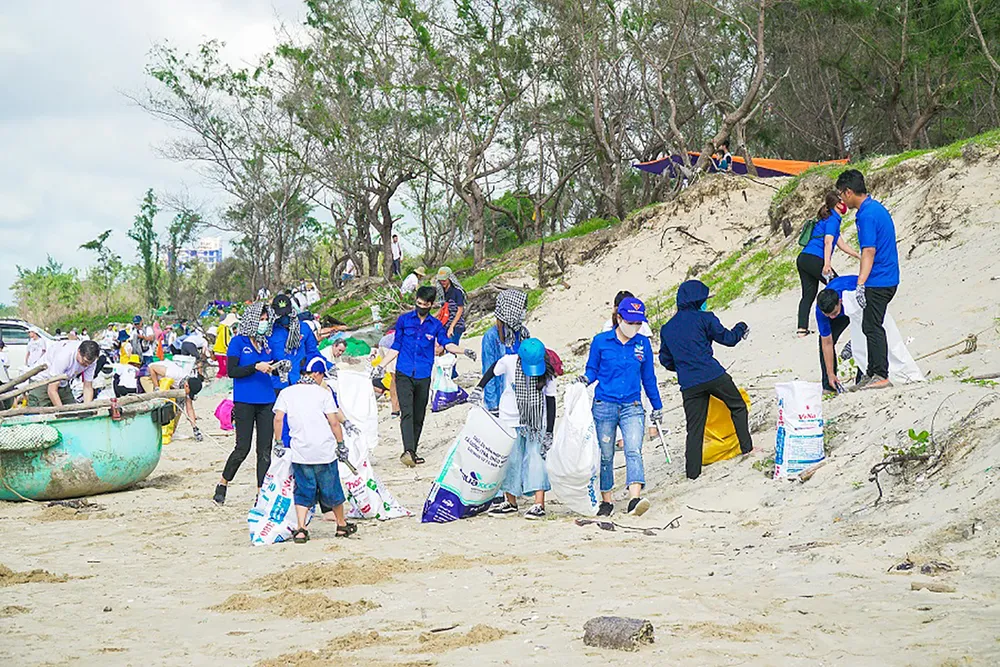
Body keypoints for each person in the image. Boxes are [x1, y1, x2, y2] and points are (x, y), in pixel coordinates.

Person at [658, 281, 752, 481]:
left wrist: (683, 366)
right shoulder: (705, 318)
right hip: (712, 374)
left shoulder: (667, 328)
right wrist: (741, 327)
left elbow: (665, 360)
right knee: (737, 406)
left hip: (689, 383)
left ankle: (692, 474)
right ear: (698, 300)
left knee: (694, 429)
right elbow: (728, 339)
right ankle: (747, 449)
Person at [376, 286, 478, 467]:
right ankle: (408, 451)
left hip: (423, 375)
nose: (421, 307)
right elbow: (396, 346)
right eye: (418, 303)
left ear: (431, 305)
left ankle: (412, 452)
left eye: (424, 304)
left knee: (419, 414)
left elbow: (446, 344)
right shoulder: (404, 320)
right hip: (404, 372)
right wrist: (380, 366)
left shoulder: (435, 325)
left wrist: (464, 351)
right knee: (407, 412)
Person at [580, 297, 663, 517]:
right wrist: (583, 381)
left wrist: (657, 406)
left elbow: (648, 377)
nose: (634, 326)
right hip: (604, 404)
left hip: (632, 405)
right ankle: (606, 500)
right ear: (619, 318)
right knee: (606, 454)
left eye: (638, 323)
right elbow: (592, 370)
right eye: (630, 322)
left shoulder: (643, 343)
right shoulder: (601, 341)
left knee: (633, 450)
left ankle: (634, 499)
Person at [272, 356, 356, 542]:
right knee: (332, 489)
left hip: (301, 452)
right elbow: (334, 422)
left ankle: (301, 529)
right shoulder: (323, 394)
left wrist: (278, 442)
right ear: (316, 374)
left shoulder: (287, 393)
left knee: (303, 491)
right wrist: (341, 444)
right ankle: (341, 525)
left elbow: (278, 419)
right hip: (324, 451)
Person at [470, 338, 555, 519]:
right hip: (509, 418)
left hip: (535, 421)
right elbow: (492, 370)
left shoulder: (547, 371)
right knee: (511, 460)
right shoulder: (509, 362)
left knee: (536, 458)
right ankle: (510, 502)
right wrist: (478, 388)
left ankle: (539, 504)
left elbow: (550, 400)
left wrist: (549, 431)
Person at [836, 169, 899, 390]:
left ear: (849, 192)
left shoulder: (867, 215)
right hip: (886, 276)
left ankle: (881, 374)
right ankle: (871, 373)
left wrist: (861, 283)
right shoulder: (874, 208)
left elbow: (869, 251)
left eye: (841, 194)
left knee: (872, 326)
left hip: (880, 279)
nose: (842, 200)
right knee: (869, 325)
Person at [214, 302, 278, 505]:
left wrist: (276, 368)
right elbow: (232, 371)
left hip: (267, 400)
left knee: (265, 449)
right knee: (243, 447)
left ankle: (261, 492)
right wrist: (255, 366)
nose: (264, 323)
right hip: (245, 401)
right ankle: (223, 483)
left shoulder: (267, 343)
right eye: (261, 319)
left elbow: (272, 365)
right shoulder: (238, 342)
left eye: (266, 319)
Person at [795, 192, 860, 336]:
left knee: (808, 295)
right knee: (837, 284)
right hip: (815, 258)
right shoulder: (833, 220)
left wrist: (858, 256)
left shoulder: (827, 219)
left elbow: (841, 244)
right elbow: (828, 242)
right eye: (842, 201)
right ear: (838, 204)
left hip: (803, 259)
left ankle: (802, 329)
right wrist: (827, 264)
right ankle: (843, 314)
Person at [481, 289, 531, 414]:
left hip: (521, 396)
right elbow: (488, 370)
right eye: (521, 308)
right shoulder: (491, 337)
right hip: (502, 397)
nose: (523, 312)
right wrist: (493, 405)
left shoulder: (523, 333)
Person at [815, 275, 860, 394]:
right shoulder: (821, 312)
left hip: (858, 300)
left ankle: (862, 378)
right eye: (828, 315)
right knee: (823, 341)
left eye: (834, 313)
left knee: (863, 336)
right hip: (840, 308)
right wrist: (830, 373)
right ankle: (830, 385)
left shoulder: (850, 293)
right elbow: (827, 343)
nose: (832, 317)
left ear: (839, 302)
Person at [28, 340, 100, 407]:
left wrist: (87, 408)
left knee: (74, 410)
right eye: (84, 361)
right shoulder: (64, 356)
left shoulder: (92, 361)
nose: (86, 365)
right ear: (79, 351)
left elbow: (87, 387)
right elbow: (52, 390)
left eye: (89, 363)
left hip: (62, 383)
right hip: (42, 381)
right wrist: (61, 411)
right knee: (42, 411)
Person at [148, 359, 205, 441]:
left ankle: (172, 431)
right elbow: (152, 368)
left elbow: (189, 409)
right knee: (160, 405)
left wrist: (195, 429)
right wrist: (157, 388)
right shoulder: (173, 374)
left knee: (179, 406)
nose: (188, 394)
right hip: (150, 376)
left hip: (168, 384)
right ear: (186, 386)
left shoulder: (188, 385)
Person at [435, 266, 467, 346]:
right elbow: (443, 308)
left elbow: (460, 310)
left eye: (444, 280)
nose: (442, 282)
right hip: (445, 324)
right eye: (441, 280)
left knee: (451, 348)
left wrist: (451, 327)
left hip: (456, 325)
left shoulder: (457, 292)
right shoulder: (443, 293)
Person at [214, 312, 237, 379]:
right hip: (221, 351)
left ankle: (223, 380)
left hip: (220, 350)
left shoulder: (221, 328)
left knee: (225, 368)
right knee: (223, 369)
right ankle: (217, 381)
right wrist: (229, 348)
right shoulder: (225, 328)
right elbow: (225, 341)